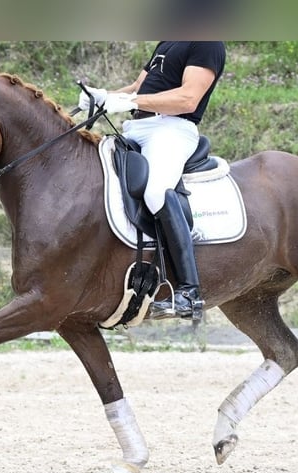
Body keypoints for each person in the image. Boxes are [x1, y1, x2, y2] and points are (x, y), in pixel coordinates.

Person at [79, 41, 226, 319]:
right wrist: (103, 96)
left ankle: (189, 293)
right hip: (137, 126)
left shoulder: (207, 42)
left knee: (157, 192)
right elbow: (138, 87)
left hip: (171, 130)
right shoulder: (168, 40)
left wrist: (130, 101)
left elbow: (188, 99)